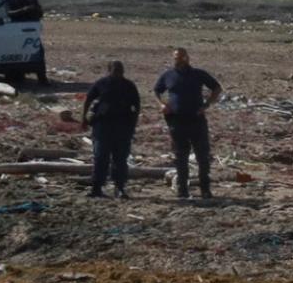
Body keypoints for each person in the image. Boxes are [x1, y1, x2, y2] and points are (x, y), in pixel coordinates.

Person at [152, 48, 223, 199]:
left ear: (186, 58)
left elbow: (216, 88)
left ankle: (205, 189)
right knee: (180, 157)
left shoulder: (198, 74)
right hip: (176, 121)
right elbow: (157, 90)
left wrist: (206, 105)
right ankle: (182, 189)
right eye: (175, 57)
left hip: (196, 120)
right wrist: (162, 105)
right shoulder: (168, 75)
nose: (176, 60)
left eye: (179, 57)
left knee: (202, 157)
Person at [80, 59, 140, 198]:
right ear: (109, 71)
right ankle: (96, 188)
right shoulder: (101, 84)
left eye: (120, 70)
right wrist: (83, 118)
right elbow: (88, 99)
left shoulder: (129, 86)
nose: (118, 73)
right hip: (102, 127)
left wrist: (132, 125)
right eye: (115, 70)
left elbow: (136, 106)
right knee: (101, 157)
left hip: (123, 127)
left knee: (120, 159)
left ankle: (119, 187)